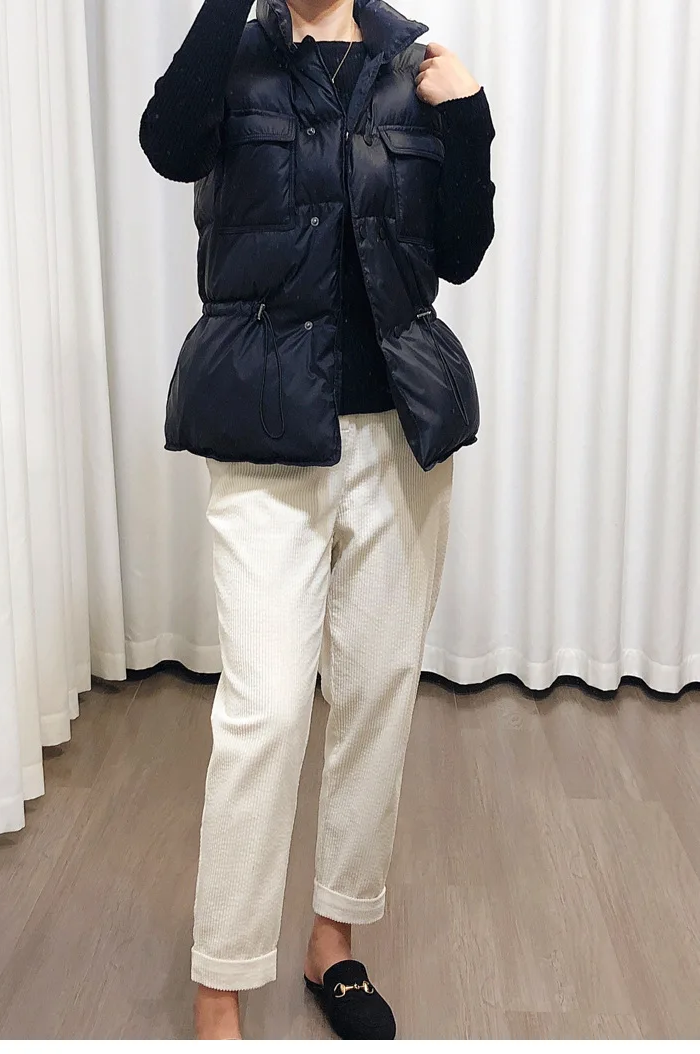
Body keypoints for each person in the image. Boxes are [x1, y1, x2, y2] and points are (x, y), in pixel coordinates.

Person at [139, 0, 495, 1040]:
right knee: (265, 712)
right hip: (264, 432)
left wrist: (469, 115)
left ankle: (332, 941)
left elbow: (461, 253)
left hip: (399, 435)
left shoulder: (413, 66)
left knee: (377, 693)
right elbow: (168, 145)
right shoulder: (233, 57)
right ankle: (220, 982)